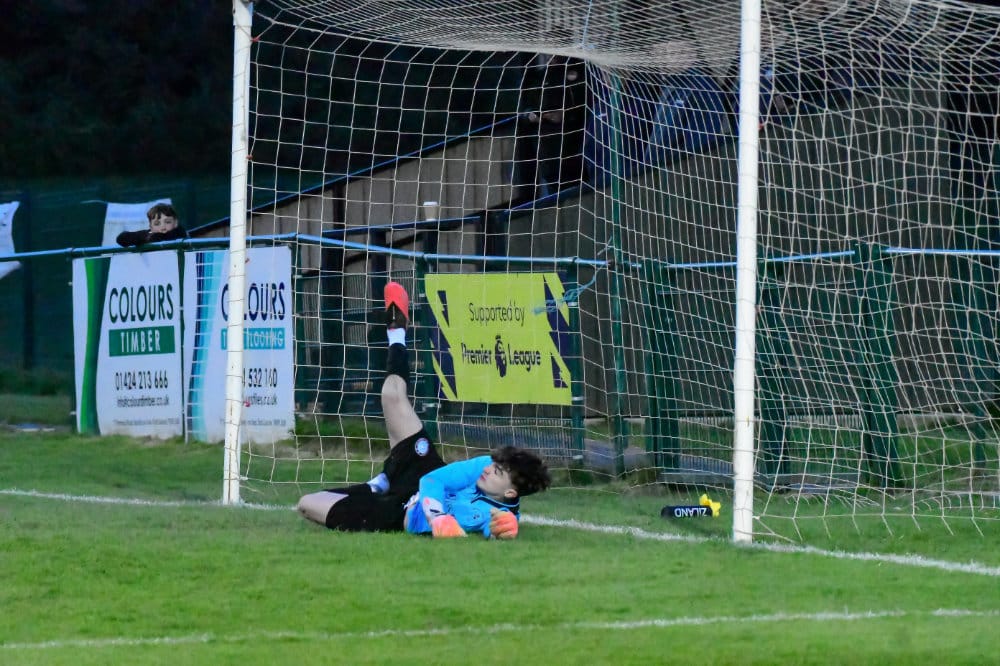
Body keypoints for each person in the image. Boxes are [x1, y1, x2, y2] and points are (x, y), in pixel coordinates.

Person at [297, 281, 551, 539]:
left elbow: (495, 527)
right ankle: (397, 333)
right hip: (423, 471)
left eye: (497, 472)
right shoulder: (484, 465)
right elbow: (433, 479)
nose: (488, 469)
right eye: (494, 465)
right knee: (391, 395)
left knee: (307, 503)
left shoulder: (494, 513)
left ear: (510, 493)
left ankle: (377, 486)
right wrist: (437, 517)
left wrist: (504, 529)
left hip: (395, 513)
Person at [512, 53, 587, 203]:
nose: (550, 57)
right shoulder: (537, 78)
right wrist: (530, 116)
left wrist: (565, 115)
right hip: (548, 155)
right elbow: (524, 111)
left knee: (579, 194)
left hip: (573, 150)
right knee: (555, 195)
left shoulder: (577, 71)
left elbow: (582, 105)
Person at [116, 203, 188, 247]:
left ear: (175, 223)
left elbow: (164, 237)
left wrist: (149, 237)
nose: (163, 226)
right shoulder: (149, 233)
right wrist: (144, 236)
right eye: (157, 223)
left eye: (167, 222)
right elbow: (121, 238)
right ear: (151, 226)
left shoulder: (179, 233)